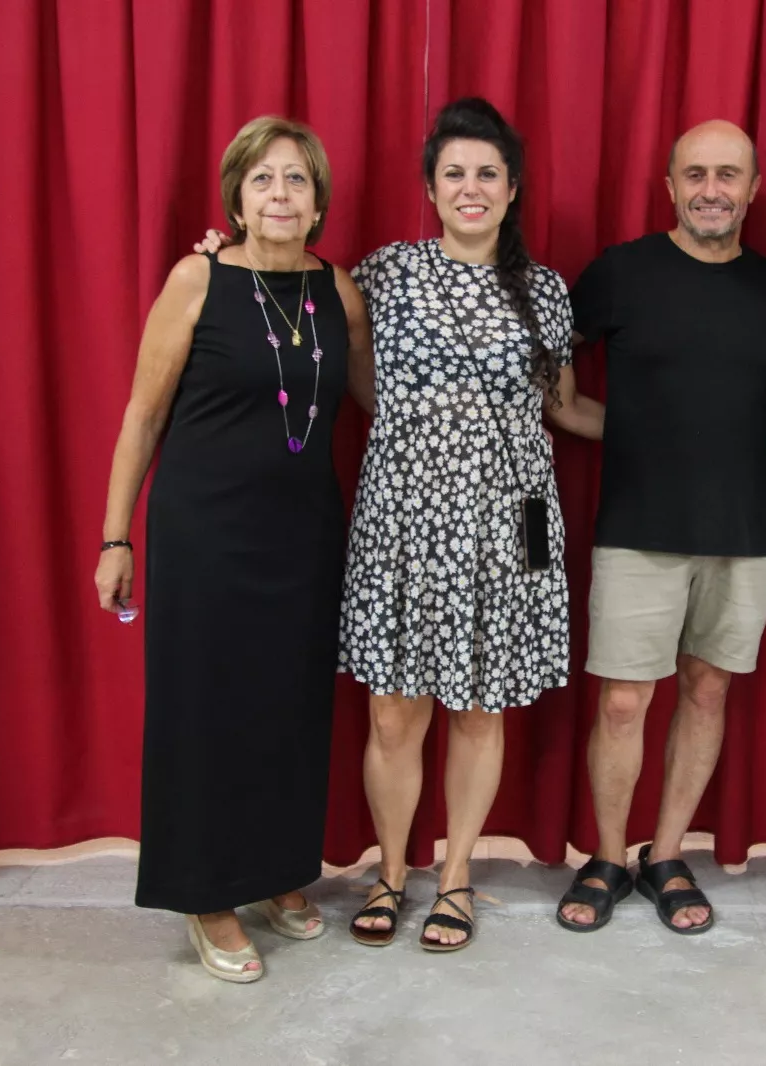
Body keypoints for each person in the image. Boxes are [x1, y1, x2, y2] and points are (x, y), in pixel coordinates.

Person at [95, 115, 373, 983]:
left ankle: (279, 875)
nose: (280, 194)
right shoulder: (197, 278)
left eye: (295, 179)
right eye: (262, 180)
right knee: (206, 712)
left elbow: (376, 398)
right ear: (238, 199)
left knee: (289, 709)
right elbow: (142, 415)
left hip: (305, 534)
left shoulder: (341, 289)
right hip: (205, 533)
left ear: (319, 197)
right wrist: (116, 535)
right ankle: (207, 895)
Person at [336, 97, 584, 953]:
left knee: (481, 706)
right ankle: (393, 871)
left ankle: (457, 876)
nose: (471, 189)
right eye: (455, 174)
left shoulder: (547, 292)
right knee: (393, 715)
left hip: (516, 520)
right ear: (432, 189)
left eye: (487, 174)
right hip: (402, 518)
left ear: (511, 189)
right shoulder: (385, 274)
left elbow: (564, 410)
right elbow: (340, 361)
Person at [553, 120, 766, 936]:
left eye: (728, 175)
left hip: (741, 524)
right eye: (695, 174)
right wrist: (619, 429)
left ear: (754, 189)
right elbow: (555, 374)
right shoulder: (621, 272)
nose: (711, 189)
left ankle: (666, 853)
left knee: (708, 688)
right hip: (637, 525)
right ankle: (611, 856)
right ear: (670, 187)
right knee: (623, 701)